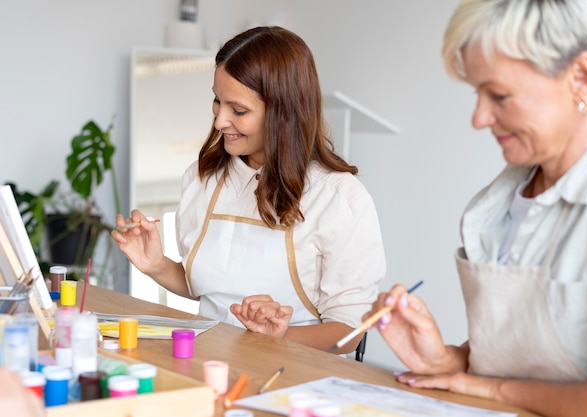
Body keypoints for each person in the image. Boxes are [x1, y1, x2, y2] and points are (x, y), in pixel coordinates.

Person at [364, 0, 587, 415]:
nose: (479, 117)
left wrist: (495, 391)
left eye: (499, 95)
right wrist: (449, 361)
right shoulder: (508, 192)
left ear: (581, 76)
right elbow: (538, 352)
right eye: (477, 93)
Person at [112, 26, 385, 354]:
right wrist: (155, 265)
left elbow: (349, 331)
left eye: (238, 110)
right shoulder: (203, 179)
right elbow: (207, 291)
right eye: (217, 101)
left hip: (294, 379)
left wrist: (278, 338)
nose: (219, 121)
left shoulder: (339, 198)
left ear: (284, 113)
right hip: (208, 361)